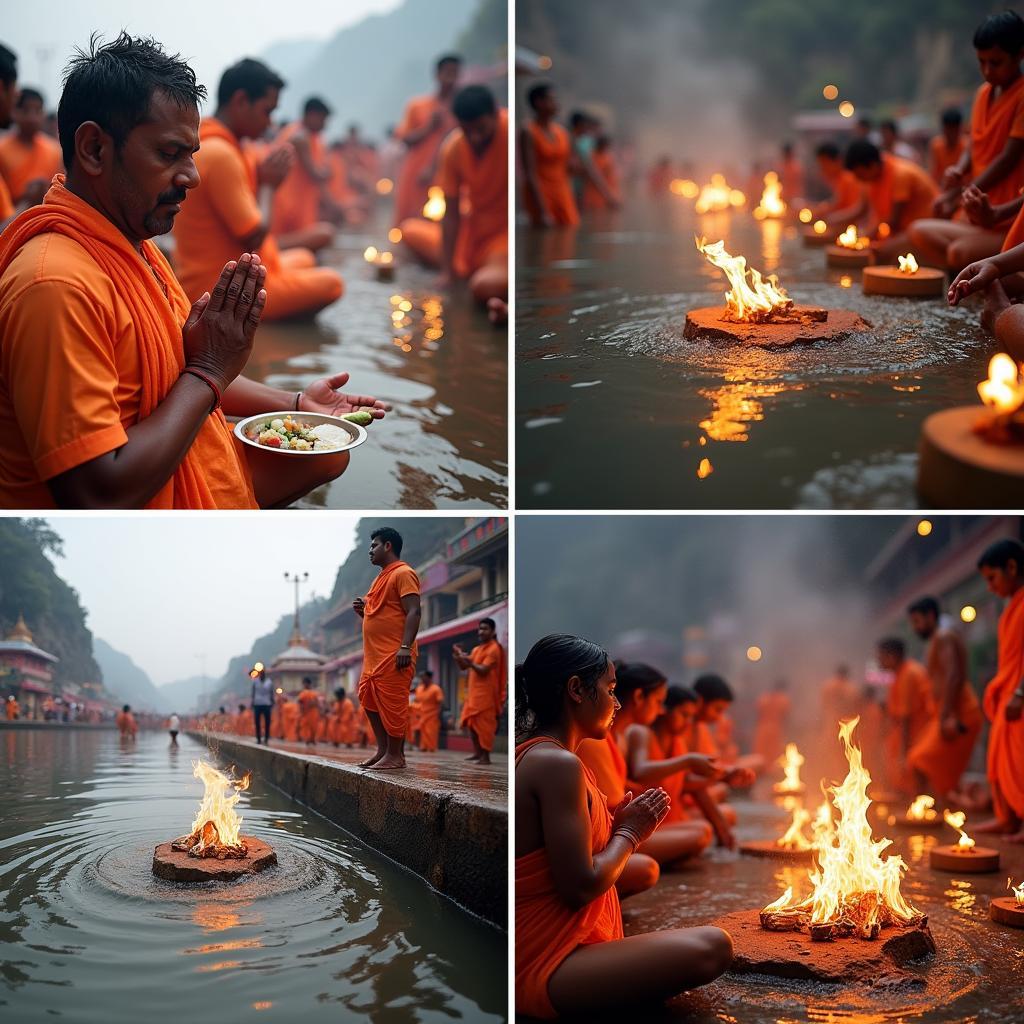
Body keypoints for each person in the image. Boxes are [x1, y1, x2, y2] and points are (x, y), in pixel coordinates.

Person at [0, 34, 387, 510]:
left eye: (191, 154)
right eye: (169, 154)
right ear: (95, 149)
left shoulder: (133, 245)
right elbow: (97, 492)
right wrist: (209, 370)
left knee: (323, 452)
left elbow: (184, 367)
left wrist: (294, 403)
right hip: (123, 488)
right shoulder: (53, 285)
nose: (192, 175)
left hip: (162, 444)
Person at [515, 634, 733, 1019]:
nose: (616, 702)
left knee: (706, 941)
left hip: (551, 941)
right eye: (611, 690)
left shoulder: (550, 757)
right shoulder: (557, 764)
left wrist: (616, 827)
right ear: (576, 690)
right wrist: (630, 833)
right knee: (712, 947)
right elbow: (580, 886)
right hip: (542, 960)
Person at [172, 57, 345, 322]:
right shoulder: (220, 154)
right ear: (241, 101)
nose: (270, 123)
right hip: (223, 290)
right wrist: (268, 185)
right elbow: (252, 236)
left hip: (246, 270)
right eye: (267, 111)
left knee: (305, 257)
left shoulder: (236, 148)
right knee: (333, 282)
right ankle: (252, 319)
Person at [911, 13, 1024, 269]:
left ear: (1019, 55)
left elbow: (1008, 158)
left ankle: (984, 280)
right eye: (981, 62)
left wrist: (964, 193)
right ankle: (971, 283)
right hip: (975, 211)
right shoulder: (983, 93)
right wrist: (960, 169)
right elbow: (973, 142)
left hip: (1006, 216)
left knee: (959, 253)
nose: (987, 71)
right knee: (919, 231)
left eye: (995, 63)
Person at [400, 85, 508, 323]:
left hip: (502, 241)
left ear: (495, 113)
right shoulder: (454, 147)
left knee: (482, 286)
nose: (474, 138)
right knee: (408, 230)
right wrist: (447, 271)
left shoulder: (510, 132)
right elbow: (451, 212)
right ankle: (463, 272)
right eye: (467, 131)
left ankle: (498, 296)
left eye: (481, 129)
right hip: (469, 238)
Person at [608, 663, 719, 870]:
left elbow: (682, 782)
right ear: (639, 697)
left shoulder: (622, 735)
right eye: (659, 702)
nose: (660, 709)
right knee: (650, 869)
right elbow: (628, 783)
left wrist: (720, 775)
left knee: (704, 828)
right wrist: (687, 761)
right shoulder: (635, 733)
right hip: (623, 830)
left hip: (640, 821)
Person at [354, 526, 422, 770]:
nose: (370, 551)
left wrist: (405, 646)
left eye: (374, 545)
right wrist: (365, 612)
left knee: (393, 704)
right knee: (368, 698)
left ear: (388, 546)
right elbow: (382, 614)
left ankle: (396, 755)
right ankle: (383, 751)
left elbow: (413, 610)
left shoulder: (404, 573)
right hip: (374, 657)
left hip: (395, 653)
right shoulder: (380, 578)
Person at [906, 596, 982, 801]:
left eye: (917, 621)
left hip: (959, 713)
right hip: (948, 713)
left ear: (931, 616)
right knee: (922, 761)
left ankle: (929, 813)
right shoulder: (938, 639)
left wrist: (946, 714)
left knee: (920, 760)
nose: (915, 628)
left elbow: (954, 674)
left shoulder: (944, 636)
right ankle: (934, 811)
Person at [974, 539, 1024, 841]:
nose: (990, 587)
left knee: (1020, 760)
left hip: (1019, 695)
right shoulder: (1012, 606)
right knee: (998, 759)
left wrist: (1021, 693)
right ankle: (1006, 817)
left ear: (1012, 567)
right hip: (1009, 692)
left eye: (992, 578)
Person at [844, 140, 938, 263]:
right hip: (903, 231)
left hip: (927, 230)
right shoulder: (874, 178)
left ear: (872, 165)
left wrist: (867, 239)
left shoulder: (900, 175)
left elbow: (894, 221)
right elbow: (877, 217)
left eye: (860, 175)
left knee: (882, 253)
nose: (859, 180)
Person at [393, 54, 460, 225]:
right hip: (416, 174)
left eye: (455, 73)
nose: (451, 78)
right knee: (407, 222)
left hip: (447, 173)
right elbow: (405, 139)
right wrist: (428, 127)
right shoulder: (417, 105)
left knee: (440, 221)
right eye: (447, 72)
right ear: (437, 75)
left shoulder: (461, 109)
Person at [270, 96, 339, 251]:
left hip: (296, 205)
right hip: (287, 207)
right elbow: (316, 174)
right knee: (324, 235)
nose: (324, 125)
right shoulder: (300, 136)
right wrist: (329, 173)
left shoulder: (308, 136)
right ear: (312, 115)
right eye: (323, 119)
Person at [877, 637, 934, 794]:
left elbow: (905, 717)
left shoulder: (908, 674)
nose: (879, 661)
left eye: (881, 657)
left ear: (892, 656)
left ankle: (918, 808)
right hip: (912, 732)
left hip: (918, 733)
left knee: (911, 768)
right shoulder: (902, 673)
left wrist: (903, 752)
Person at [520, 82, 578, 227]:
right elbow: (530, 173)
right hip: (540, 193)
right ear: (539, 102)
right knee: (544, 238)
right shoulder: (528, 131)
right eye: (551, 99)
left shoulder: (562, 132)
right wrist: (543, 210)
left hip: (562, 191)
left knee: (568, 232)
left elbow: (569, 165)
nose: (556, 103)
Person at [454, 617, 507, 765]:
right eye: (480, 628)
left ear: (492, 631)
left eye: (485, 629)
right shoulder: (477, 649)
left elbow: (483, 670)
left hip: (487, 695)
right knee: (472, 724)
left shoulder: (494, 649)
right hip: (473, 694)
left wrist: (469, 662)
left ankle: (485, 756)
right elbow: (464, 667)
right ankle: (477, 753)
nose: (481, 632)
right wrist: (459, 657)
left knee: (485, 726)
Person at [0, 87, 62, 204]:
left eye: (38, 110)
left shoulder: (54, 150)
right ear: (14, 112)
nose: (32, 118)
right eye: (26, 110)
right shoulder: (2, 149)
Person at [811, 142, 865, 227]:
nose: (823, 169)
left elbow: (856, 211)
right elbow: (836, 203)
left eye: (825, 164)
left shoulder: (849, 179)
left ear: (837, 160)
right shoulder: (839, 180)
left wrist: (832, 218)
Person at [752, 679, 790, 765]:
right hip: (775, 729)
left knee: (761, 754)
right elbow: (786, 718)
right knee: (774, 755)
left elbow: (757, 715)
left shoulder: (763, 698)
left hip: (762, 729)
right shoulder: (784, 700)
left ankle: (761, 772)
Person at [582, 136, 621, 212]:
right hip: (597, 196)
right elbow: (596, 178)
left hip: (610, 194)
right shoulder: (592, 157)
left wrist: (615, 196)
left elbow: (611, 177)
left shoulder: (607, 156)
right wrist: (609, 196)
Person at [929, 108, 965, 187]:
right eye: (948, 129)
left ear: (959, 128)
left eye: (954, 129)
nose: (951, 134)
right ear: (943, 128)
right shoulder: (936, 145)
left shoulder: (966, 146)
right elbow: (936, 173)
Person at [415, 670, 444, 752]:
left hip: (432, 716)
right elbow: (417, 701)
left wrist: (439, 715)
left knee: (430, 732)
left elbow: (440, 702)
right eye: (421, 677)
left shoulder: (436, 689)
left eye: (424, 676)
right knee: (421, 731)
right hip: (421, 714)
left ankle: (432, 749)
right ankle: (422, 747)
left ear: (429, 678)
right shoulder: (419, 688)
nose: (422, 679)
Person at [251, 667, 274, 745]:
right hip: (257, 704)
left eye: (263, 673)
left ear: (265, 674)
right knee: (257, 722)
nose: (262, 675)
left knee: (267, 722)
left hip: (267, 704)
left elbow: (271, 692)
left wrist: (272, 701)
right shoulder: (255, 681)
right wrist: (252, 702)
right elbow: (253, 692)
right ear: (259, 674)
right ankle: (258, 738)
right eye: (261, 673)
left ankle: (266, 738)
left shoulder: (269, 682)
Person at [297, 677, 320, 747]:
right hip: (306, 713)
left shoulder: (314, 693)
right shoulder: (303, 693)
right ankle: (307, 740)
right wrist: (302, 711)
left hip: (313, 713)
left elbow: (316, 703)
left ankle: (312, 739)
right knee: (306, 727)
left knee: (314, 727)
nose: (304, 685)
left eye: (305, 683)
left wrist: (313, 704)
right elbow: (300, 702)